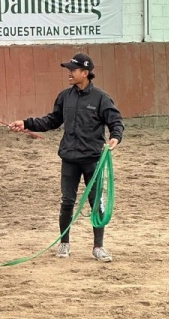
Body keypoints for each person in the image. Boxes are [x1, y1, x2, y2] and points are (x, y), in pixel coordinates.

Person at [9, 53, 124, 262]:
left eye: (73, 70)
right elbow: (52, 120)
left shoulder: (101, 98)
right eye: (69, 70)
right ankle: (64, 243)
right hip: (69, 158)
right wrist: (26, 123)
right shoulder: (65, 96)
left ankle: (98, 247)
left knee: (96, 202)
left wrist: (116, 138)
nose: (69, 73)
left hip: (93, 159)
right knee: (67, 201)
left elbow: (115, 121)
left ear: (85, 73)